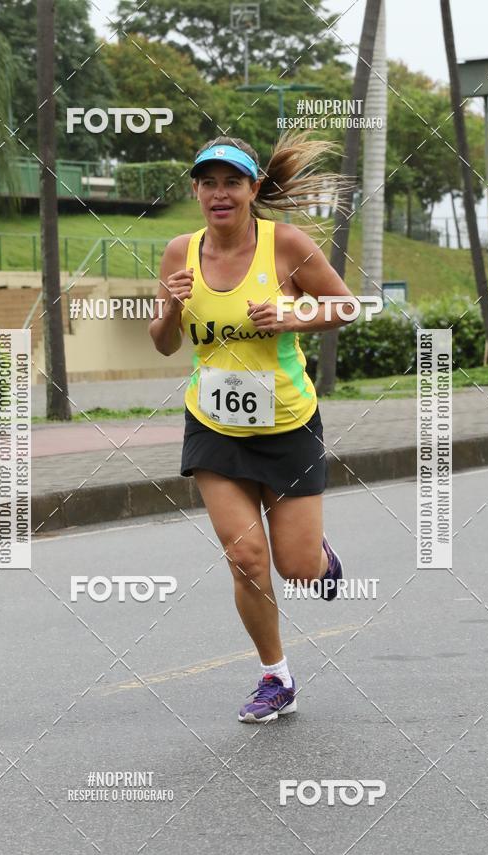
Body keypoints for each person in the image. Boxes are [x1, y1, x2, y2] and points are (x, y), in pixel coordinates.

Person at [149, 132, 355, 724]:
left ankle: (320, 558)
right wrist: (168, 306)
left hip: (287, 423)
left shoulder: (285, 245)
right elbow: (163, 346)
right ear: (195, 190)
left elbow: (345, 305)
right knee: (245, 557)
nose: (219, 193)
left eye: (231, 182)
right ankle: (276, 676)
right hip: (213, 425)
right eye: (208, 182)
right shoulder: (178, 254)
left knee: (295, 568)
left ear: (252, 189)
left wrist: (292, 315)